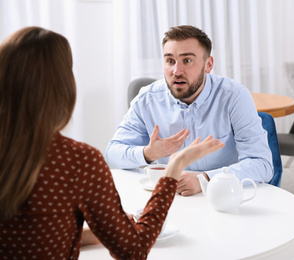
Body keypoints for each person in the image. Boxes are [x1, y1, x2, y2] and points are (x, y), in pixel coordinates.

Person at [0, 26, 224, 259]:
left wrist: (94, 232)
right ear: (62, 86)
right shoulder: (77, 161)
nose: (177, 70)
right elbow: (133, 252)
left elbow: (32, 233)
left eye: (186, 60)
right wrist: (174, 168)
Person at [105, 25, 273, 196]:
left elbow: (262, 164)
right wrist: (147, 153)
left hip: (222, 196)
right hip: (168, 200)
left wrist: (205, 179)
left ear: (208, 65)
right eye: (170, 61)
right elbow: (112, 155)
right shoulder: (147, 99)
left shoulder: (234, 96)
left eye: (187, 61)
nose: (176, 71)